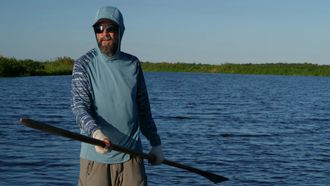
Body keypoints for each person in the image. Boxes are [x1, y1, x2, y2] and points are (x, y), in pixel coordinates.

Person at [71, 6, 164, 186]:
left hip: (132, 158)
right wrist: (96, 134)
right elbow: (79, 106)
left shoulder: (133, 64)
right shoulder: (83, 65)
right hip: (95, 159)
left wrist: (155, 143)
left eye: (110, 28)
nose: (104, 33)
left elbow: (144, 110)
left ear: (120, 30)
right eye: (99, 29)